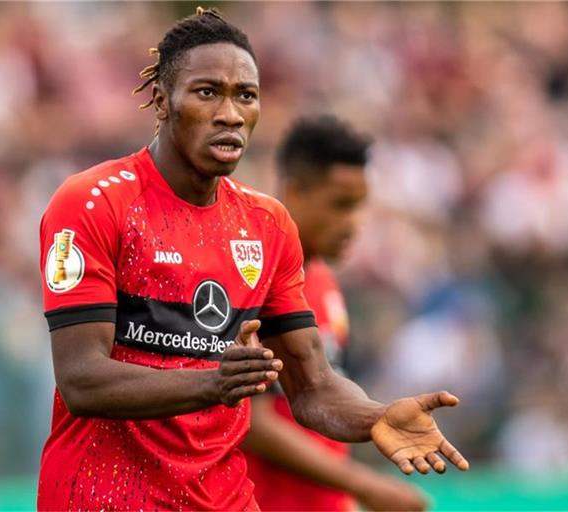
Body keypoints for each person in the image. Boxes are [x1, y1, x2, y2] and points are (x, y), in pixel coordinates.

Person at [37, 7, 468, 511]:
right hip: (104, 499)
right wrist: (214, 382)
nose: (231, 114)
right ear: (162, 100)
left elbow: (312, 387)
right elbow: (82, 379)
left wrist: (376, 417)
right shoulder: (93, 202)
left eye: (246, 95)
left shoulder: (267, 224)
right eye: (207, 92)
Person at [243, 116, 427, 511]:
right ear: (294, 191)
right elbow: (252, 421)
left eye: (360, 207)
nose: (354, 223)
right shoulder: (252, 280)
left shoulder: (324, 282)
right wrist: (364, 485)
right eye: (341, 205)